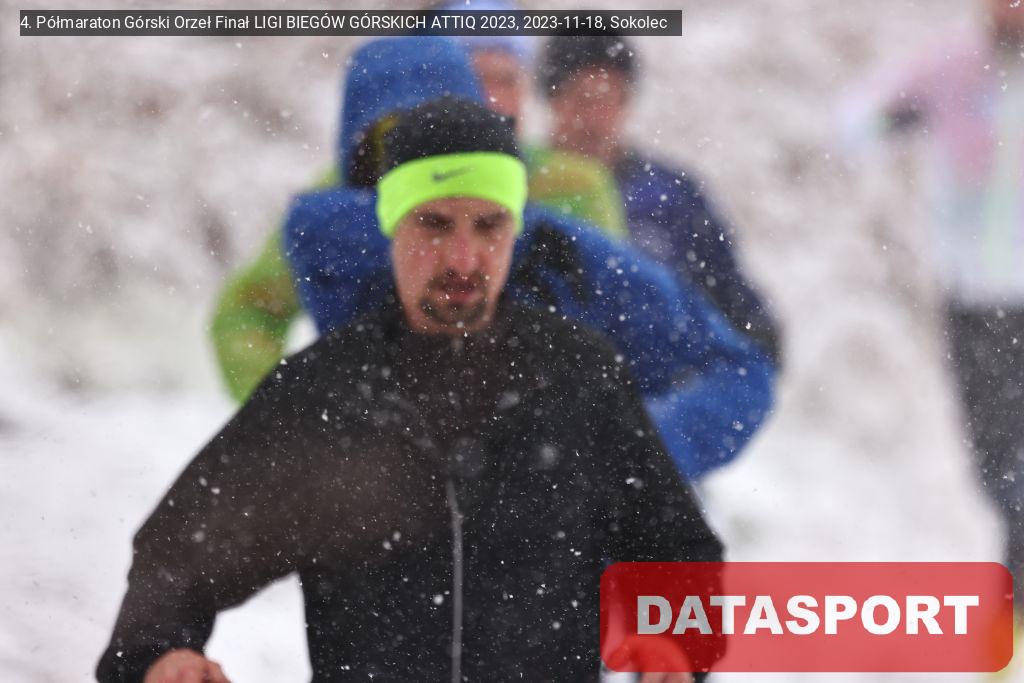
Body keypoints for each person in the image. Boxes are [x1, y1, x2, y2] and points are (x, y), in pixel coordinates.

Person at [97, 98, 721, 683]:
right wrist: (161, 652)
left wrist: (675, 646)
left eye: (489, 225)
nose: (463, 257)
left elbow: (677, 546)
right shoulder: (324, 392)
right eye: (434, 224)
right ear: (392, 224)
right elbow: (180, 552)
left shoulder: (579, 375)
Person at [210, 36, 627, 403]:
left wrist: (582, 425)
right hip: (375, 441)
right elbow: (247, 311)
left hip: (525, 433)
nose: (419, 146)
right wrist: (297, 415)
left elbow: (619, 313)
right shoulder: (326, 215)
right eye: (391, 134)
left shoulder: (563, 185)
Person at [840, 0, 1024, 608]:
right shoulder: (951, 65)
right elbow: (853, 120)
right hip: (974, 297)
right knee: (998, 464)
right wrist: (896, 116)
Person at [538, 35, 782, 364]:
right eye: (581, 98)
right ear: (552, 100)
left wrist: (747, 361)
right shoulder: (526, 187)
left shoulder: (672, 196)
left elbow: (735, 302)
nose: (594, 117)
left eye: (608, 99)